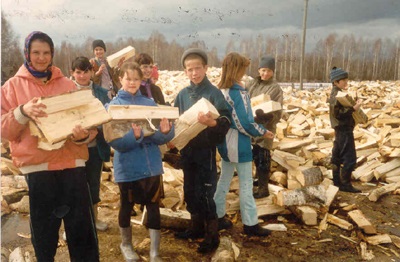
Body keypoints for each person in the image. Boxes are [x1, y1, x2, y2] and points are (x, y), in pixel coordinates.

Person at [1, 31, 99, 261]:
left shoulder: (67, 84)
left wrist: (80, 136)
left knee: (82, 233)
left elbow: (90, 125)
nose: (41, 57)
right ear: (27, 53)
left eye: (46, 52)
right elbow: (4, 130)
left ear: (52, 54)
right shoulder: (12, 87)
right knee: (45, 237)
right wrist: (23, 112)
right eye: (36, 52)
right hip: (39, 170)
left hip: (72, 166)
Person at [106, 62, 174, 262]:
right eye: (128, 78)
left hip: (151, 165)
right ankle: (126, 244)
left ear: (141, 80)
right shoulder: (113, 107)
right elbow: (115, 141)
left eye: (136, 79)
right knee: (126, 206)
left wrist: (165, 132)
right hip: (127, 167)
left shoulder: (150, 104)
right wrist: (136, 137)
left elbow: (162, 137)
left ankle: (155, 252)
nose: (132, 82)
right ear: (120, 80)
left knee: (153, 206)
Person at [173, 48, 230, 253]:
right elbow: (175, 122)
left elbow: (226, 120)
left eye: (198, 68)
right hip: (188, 152)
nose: (194, 73)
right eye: (190, 69)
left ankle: (211, 236)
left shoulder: (213, 93)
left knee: (207, 194)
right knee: (190, 191)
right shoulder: (182, 95)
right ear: (185, 72)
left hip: (205, 152)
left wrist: (212, 122)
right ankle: (195, 228)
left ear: (206, 68)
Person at [214, 52, 274, 236]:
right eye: (243, 69)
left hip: (224, 142)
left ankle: (216, 217)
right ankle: (250, 224)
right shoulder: (238, 92)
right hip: (239, 144)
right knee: (246, 184)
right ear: (236, 69)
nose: (244, 73)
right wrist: (263, 131)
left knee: (224, 180)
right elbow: (244, 123)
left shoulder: (220, 90)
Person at [70, 56, 111, 231]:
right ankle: (74, 226)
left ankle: (93, 221)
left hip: (95, 149)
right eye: (78, 72)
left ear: (92, 72)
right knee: (73, 189)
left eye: (86, 71)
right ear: (72, 73)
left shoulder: (100, 92)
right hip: (72, 149)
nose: (82, 76)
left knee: (93, 186)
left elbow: (107, 116)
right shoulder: (67, 93)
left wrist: (97, 131)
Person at [246, 56, 283, 198]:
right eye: (263, 70)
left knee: (263, 156)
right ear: (258, 70)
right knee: (254, 154)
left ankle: (263, 188)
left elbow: (278, 110)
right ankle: (257, 179)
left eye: (268, 71)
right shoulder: (252, 83)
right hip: (251, 124)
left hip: (266, 126)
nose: (265, 74)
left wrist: (268, 117)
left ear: (272, 71)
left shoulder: (275, 88)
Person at [328, 67, 362, 193]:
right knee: (349, 157)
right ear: (336, 82)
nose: (346, 83)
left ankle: (337, 182)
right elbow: (338, 114)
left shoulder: (337, 93)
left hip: (341, 128)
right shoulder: (336, 95)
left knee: (337, 156)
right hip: (343, 128)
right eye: (343, 81)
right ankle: (345, 184)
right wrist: (354, 108)